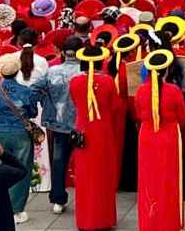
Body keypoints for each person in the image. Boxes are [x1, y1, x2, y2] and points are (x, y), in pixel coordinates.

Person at [68, 43, 120, 230]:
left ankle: (85, 219)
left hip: (83, 130)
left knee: (84, 176)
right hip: (103, 132)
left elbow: (75, 102)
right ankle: (103, 218)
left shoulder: (74, 82)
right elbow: (115, 106)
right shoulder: (107, 82)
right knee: (104, 174)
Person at [30, 35, 82, 217]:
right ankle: (86, 198)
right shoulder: (85, 72)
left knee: (59, 162)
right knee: (84, 163)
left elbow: (34, 89)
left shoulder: (52, 71)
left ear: (62, 52)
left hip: (57, 123)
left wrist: (46, 102)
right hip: (81, 124)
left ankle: (58, 199)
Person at [135, 48, 185, 231]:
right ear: (166, 70)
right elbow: (182, 116)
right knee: (170, 178)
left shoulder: (141, 91)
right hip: (169, 136)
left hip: (147, 136)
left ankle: (150, 220)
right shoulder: (173, 91)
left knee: (148, 178)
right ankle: (169, 221)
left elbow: (138, 113)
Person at [0, 52, 36, 225]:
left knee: (0, 168)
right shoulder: (25, 90)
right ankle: (17, 208)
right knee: (21, 169)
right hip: (20, 132)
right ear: (17, 71)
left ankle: (1, 204)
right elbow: (32, 112)